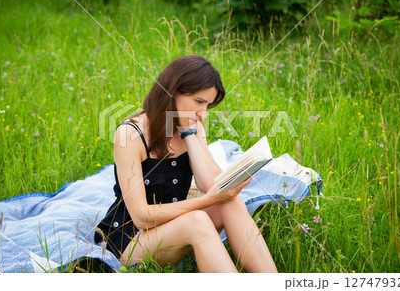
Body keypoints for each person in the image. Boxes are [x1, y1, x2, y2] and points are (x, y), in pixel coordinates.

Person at [94, 55, 278, 273]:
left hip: (174, 226)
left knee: (231, 202)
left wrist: (189, 134)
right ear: (172, 93)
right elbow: (141, 217)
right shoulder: (130, 134)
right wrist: (205, 202)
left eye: (207, 105)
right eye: (199, 102)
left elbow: (211, 185)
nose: (203, 113)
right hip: (130, 241)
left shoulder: (192, 124)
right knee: (198, 220)